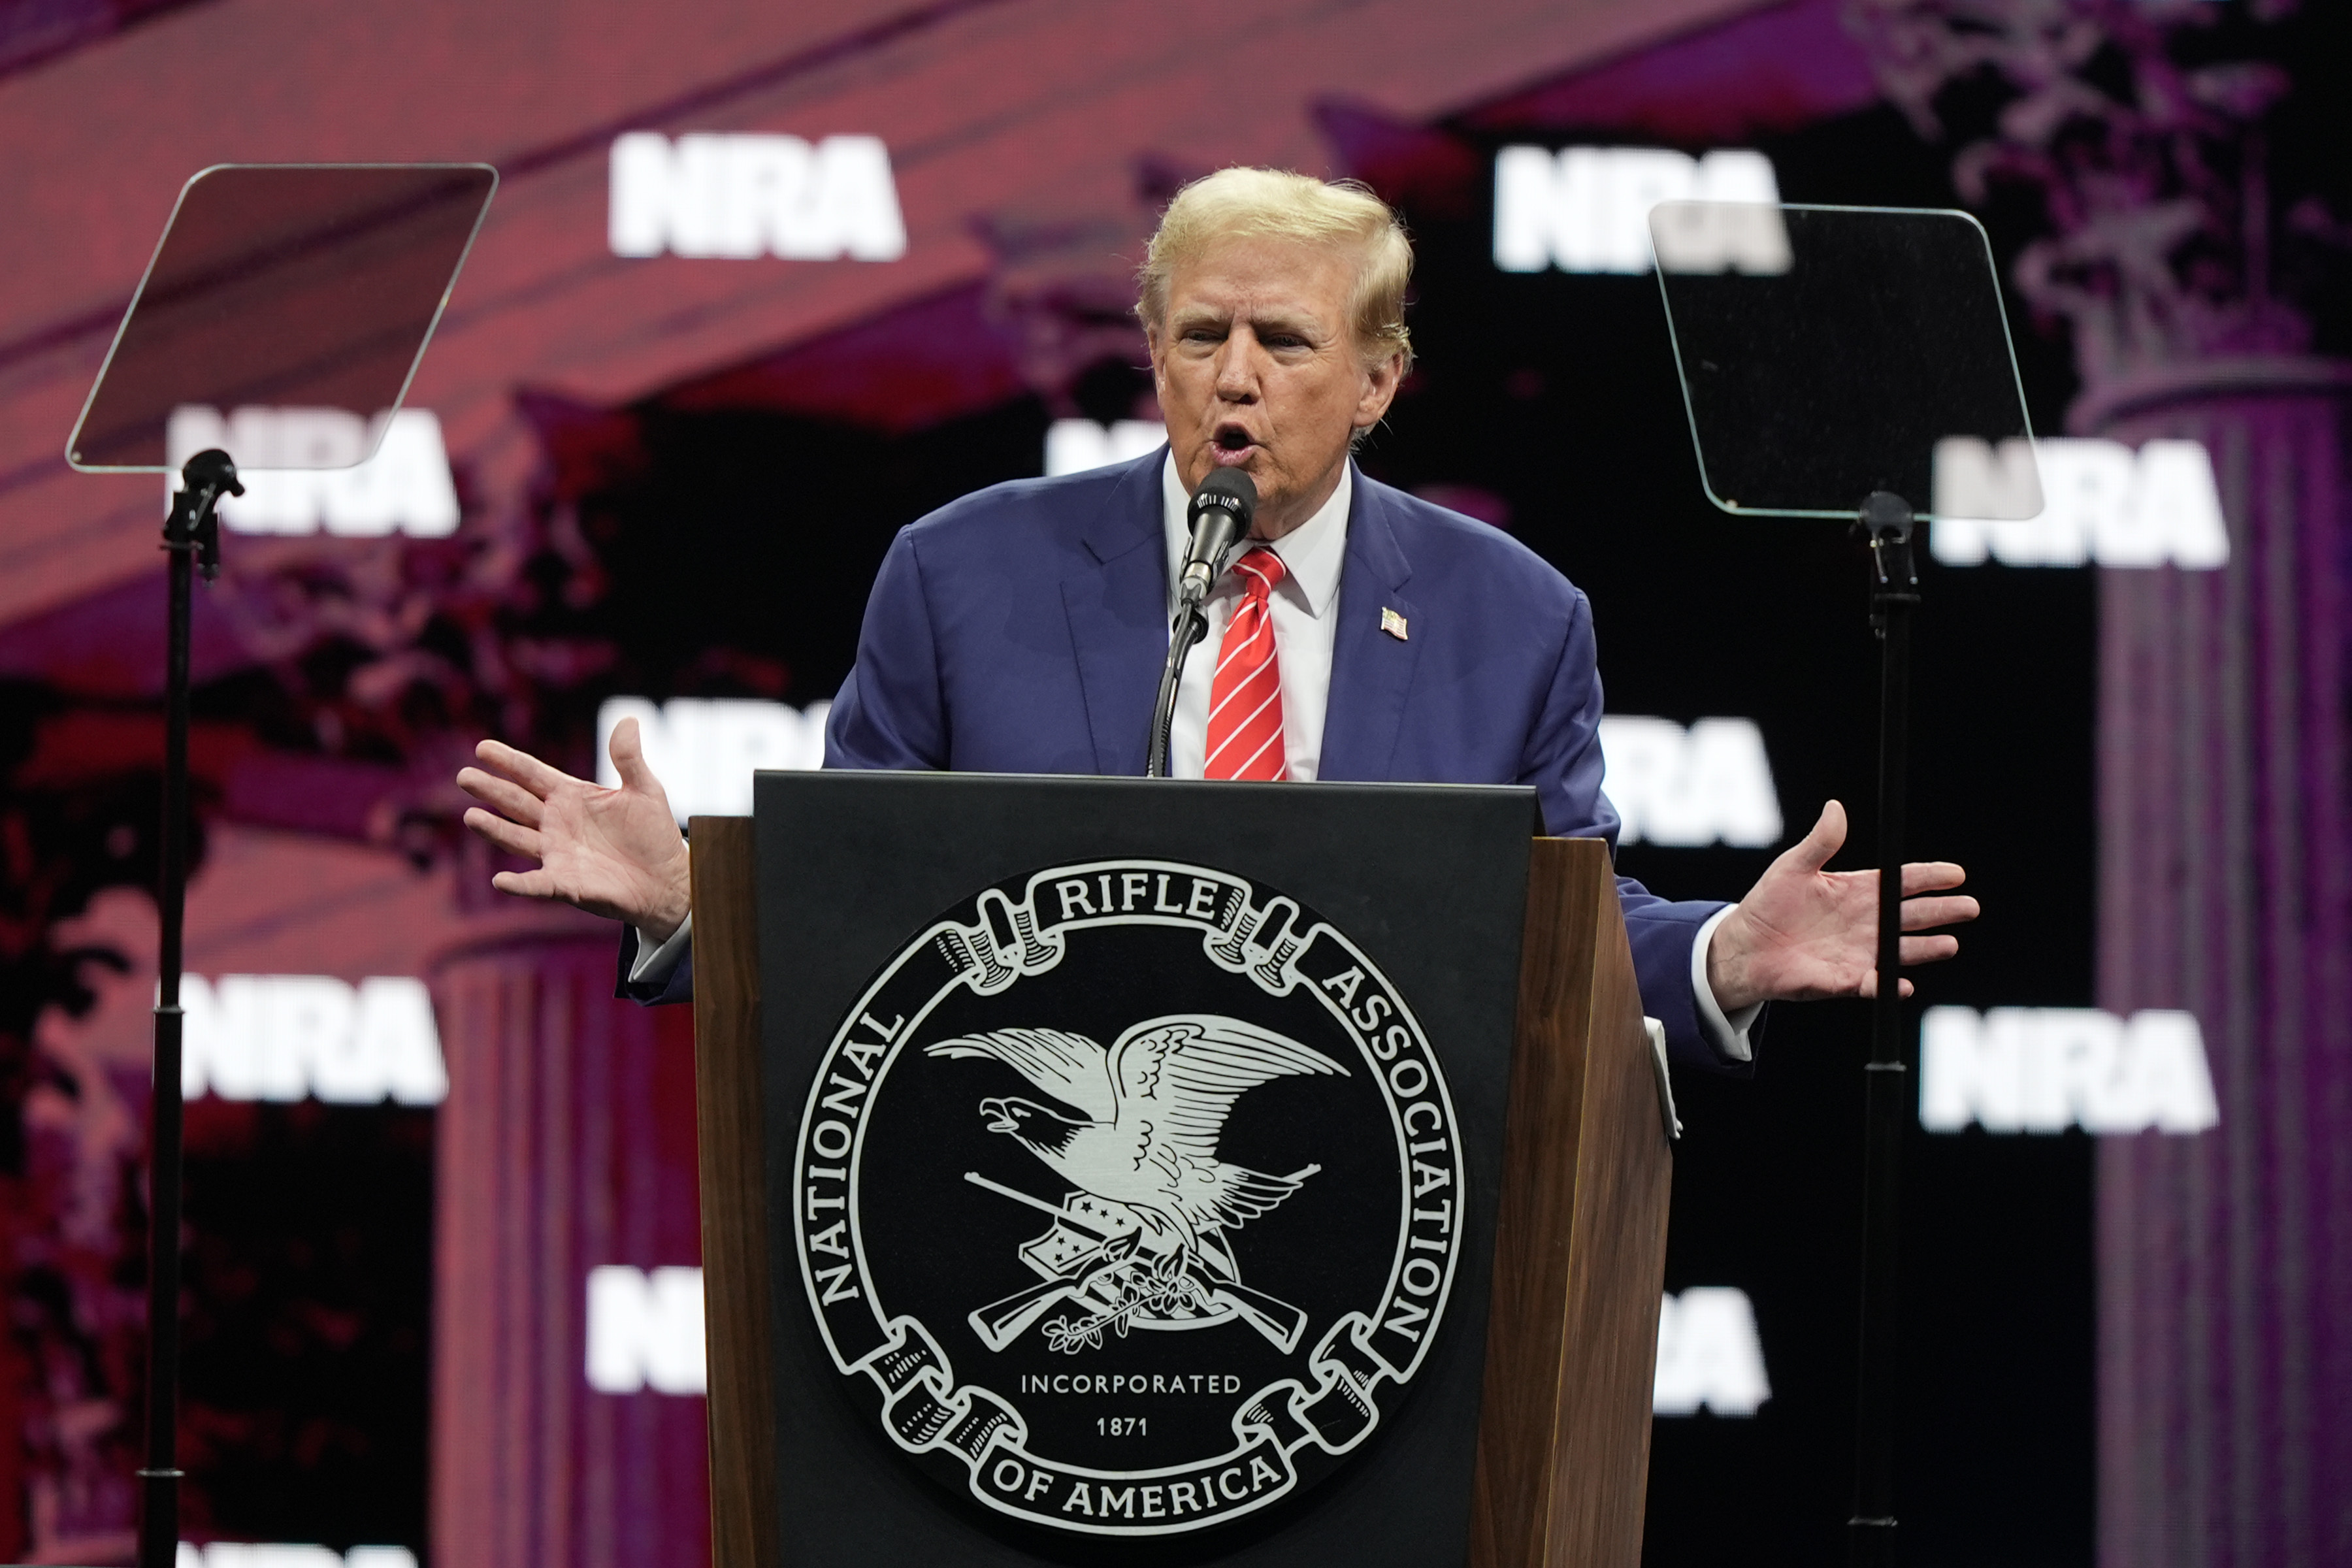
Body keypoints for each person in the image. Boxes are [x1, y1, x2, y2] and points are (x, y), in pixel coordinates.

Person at [455, 167, 1976, 1067]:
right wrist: (688, 900)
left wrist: (1722, 955)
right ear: (1156, 354)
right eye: (1202, 335)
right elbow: (871, 901)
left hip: (1370, 1224)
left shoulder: (1512, 619)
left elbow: (1553, 935)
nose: (1235, 375)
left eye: (1285, 340)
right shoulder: (962, 573)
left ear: (1378, 380)